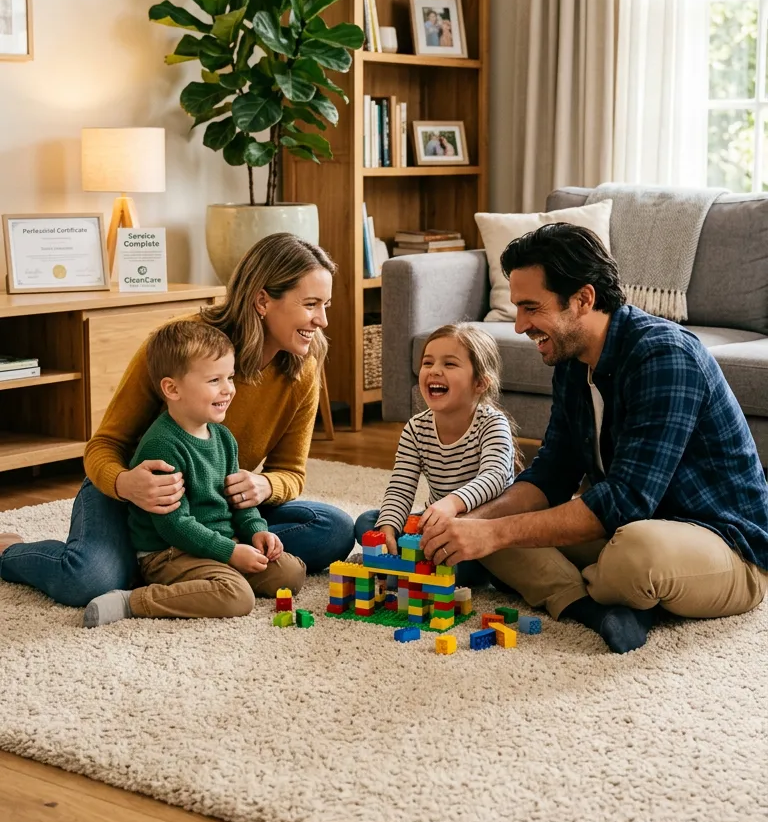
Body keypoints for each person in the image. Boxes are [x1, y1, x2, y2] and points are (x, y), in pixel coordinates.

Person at [421, 224, 768, 654]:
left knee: (632, 555)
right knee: (483, 525)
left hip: (723, 544)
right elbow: (551, 474)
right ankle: (597, 607)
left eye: (531, 307)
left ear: (583, 299)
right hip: (622, 526)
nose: (519, 325)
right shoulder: (572, 360)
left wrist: (496, 537)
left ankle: (581, 585)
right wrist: (473, 526)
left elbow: (625, 500)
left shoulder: (664, 355)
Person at [0, 234, 354, 606]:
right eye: (311, 304)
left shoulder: (303, 366)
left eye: (325, 305)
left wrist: (264, 486)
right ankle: (14, 551)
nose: (323, 320)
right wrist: (125, 483)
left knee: (334, 530)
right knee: (88, 581)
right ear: (263, 300)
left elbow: (291, 473)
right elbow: (104, 446)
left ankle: (182, 561)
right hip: (135, 499)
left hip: (214, 504)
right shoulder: (180, 348)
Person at [83, 319, 306, 627]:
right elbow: (174, 526)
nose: (228, 389)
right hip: (170, 553)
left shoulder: (223, 437)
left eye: (230, 377)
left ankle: (217, 577)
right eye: (214, 380)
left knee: (290, 572)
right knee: (237, 597)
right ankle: (134, 600)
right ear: (172, 389)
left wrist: (257, 531)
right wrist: (230, 553)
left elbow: (239, 502)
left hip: (217, 541)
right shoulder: (161, 446)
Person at [355, 324, 518, 585]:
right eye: (427, 362)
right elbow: (400, 488)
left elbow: (495, 476)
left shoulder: (492, 423)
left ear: (480, 382)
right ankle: (408, 562)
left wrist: (452, 503)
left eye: (450, 364)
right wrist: (387, 529)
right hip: (438, 525)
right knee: (368, 521)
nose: (434, 370)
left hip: (479, 531)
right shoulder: (416, 428)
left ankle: (418, 568)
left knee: (491, 561)